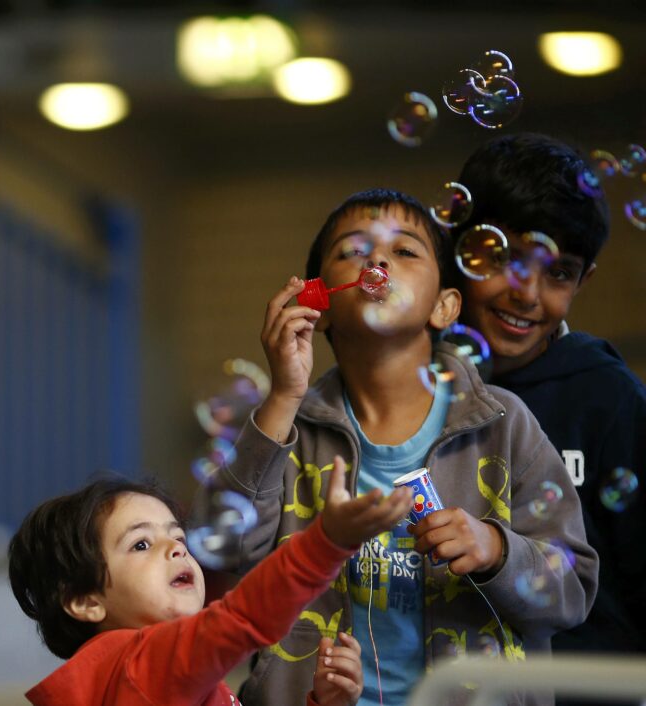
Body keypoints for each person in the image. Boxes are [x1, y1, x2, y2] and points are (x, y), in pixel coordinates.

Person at [214, 188, 598, 706]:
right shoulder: (289, 429)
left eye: (404, 250)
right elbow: (226, 549)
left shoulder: (503, 424)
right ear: (318, 304)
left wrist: (496, 549)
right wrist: (284, 394)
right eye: (353, 251)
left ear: (444, 306)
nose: (376, 260)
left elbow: (573, 592)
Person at [452, 133, 646, 666]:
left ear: (584, 280)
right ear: (462, 248)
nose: (527, 293)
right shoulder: (408, 385)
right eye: (507, 259)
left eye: (559, 272)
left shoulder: (608, 397)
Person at [8, 465, 413, 706]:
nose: (176, 549)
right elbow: (242, 618)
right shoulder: (141, 664)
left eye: (178, 537)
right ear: (84, 600)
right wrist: (326, 543)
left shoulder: (170, 676)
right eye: (141, 543)